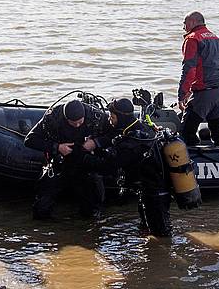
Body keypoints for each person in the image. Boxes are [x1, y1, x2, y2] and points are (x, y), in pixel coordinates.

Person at [70, 98, 173, 237]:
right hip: (148, 189)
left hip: (155, 193)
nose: (110, 120)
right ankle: (151, 252)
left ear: (122, 117)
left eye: (112, 117)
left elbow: (109, 166)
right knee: (148, 228)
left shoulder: (133, 141)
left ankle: (163, 255)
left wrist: (83, 158)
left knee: (161, 235)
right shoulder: (138, 127)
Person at [24, 99, 110, 220]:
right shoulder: (52, 118)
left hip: (86, 162)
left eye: (80, 122)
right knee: (42, 207)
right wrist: (57, 147)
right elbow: (30, 140)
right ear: (66, 118)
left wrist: (96, 142)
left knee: (92, 207)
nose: (77, 126)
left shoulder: (95, 117)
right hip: (60, 162)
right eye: (73, 123)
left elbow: (113, 134)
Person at [178, 11, 219, 146]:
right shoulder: (216, 39)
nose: (183, 27)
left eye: (185, 23)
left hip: (205, 91)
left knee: (186, 131)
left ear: (193, 22)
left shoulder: (192, 39)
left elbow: (189, 69)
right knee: (218, 133)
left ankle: (190, 162)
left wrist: (182, 94)